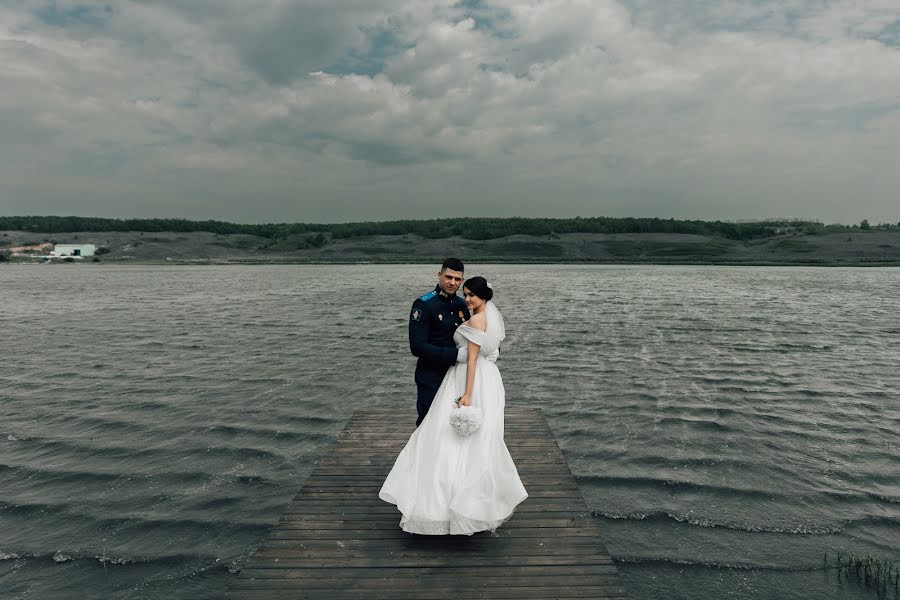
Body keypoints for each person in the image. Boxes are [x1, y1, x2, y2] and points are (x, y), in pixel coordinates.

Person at [380, 276, 528, 535]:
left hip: (468, 379)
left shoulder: (478, 318)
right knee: (474, 439)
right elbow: (490, 350)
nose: (467, 298)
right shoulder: (486, 316)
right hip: (485, 378)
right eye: (466, 293)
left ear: (484, 296)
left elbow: (471, 360)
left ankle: (447, 503)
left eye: (472, 295)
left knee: (446, 438)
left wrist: (467, 395)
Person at [409, 258, 470, 426]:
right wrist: (456, 355)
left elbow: (472, 335)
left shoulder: (462, 305)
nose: (452, 282)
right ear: (439, 275)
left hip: (457, 376)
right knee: (427, 424)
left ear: (461, 281)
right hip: (431, 377)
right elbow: (417, 347)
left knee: (453, 425)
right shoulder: (424, 305)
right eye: (448, 277)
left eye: (457, 279)